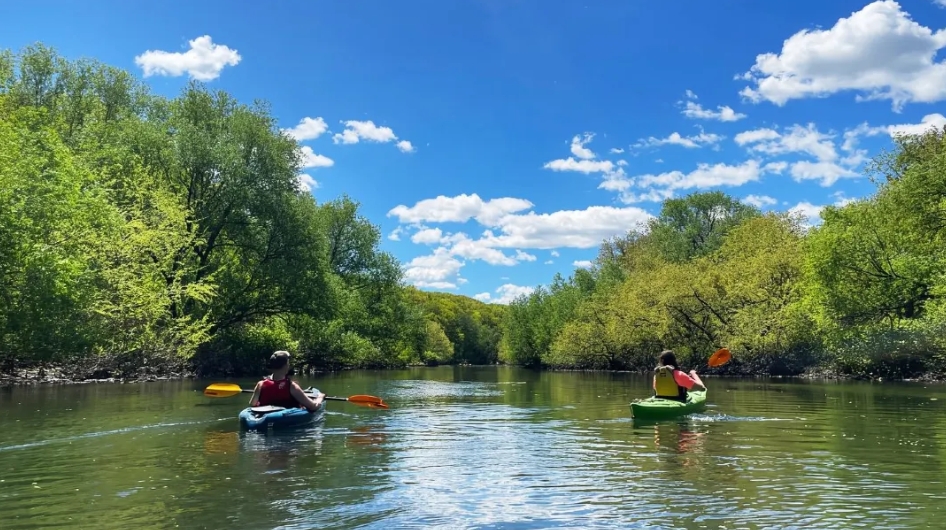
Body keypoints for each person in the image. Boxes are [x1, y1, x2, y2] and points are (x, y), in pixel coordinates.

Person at [249, 351, 325, 411]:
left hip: (266, 417)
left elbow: (252, 404)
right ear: (285, 366)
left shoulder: (261, 384)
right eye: (288, 364)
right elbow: (313, 407)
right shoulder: (292, 386)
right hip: (284, 420)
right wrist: (320, 398)